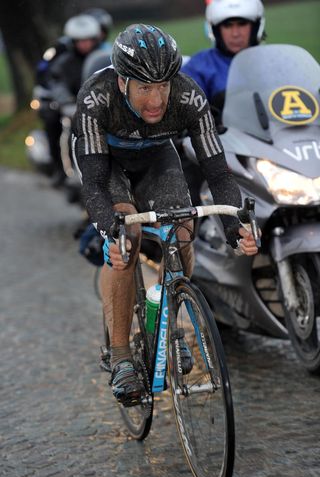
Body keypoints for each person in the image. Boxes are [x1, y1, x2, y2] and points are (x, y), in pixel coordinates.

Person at [71, 24, 259, 406]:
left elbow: (218, 173)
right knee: (128, 236)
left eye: (163, 86)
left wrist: (234, 226)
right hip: (106, 165)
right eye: (145, 88)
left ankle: (169, 327)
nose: (157, 99)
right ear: (122, 82)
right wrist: (111, 229)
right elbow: (93, 185)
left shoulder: (188, 96)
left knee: (183, 228)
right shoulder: (96, 99)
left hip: (156, 157)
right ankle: (121, 356)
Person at [180, 0, 266, 204]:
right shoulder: (199, 67)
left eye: (242, 24)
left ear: (255, 27)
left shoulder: (274, 62)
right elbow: (182, 108)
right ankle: (193, 229)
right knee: (187, 183)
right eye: (228, 25)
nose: (235, 33)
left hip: (270, 148)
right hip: (222, 151)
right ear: (215, 30)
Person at [36, 14, 103, 187]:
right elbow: (57, 82)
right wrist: (66, 102)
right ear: (73, 41)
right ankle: (61, 169)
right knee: (54, 123)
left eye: (88, 40)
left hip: (100, 107)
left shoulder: (103, 58)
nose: (84, 44)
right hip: (72, 108)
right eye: (80, 41)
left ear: (96, 39)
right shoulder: (64, 62)